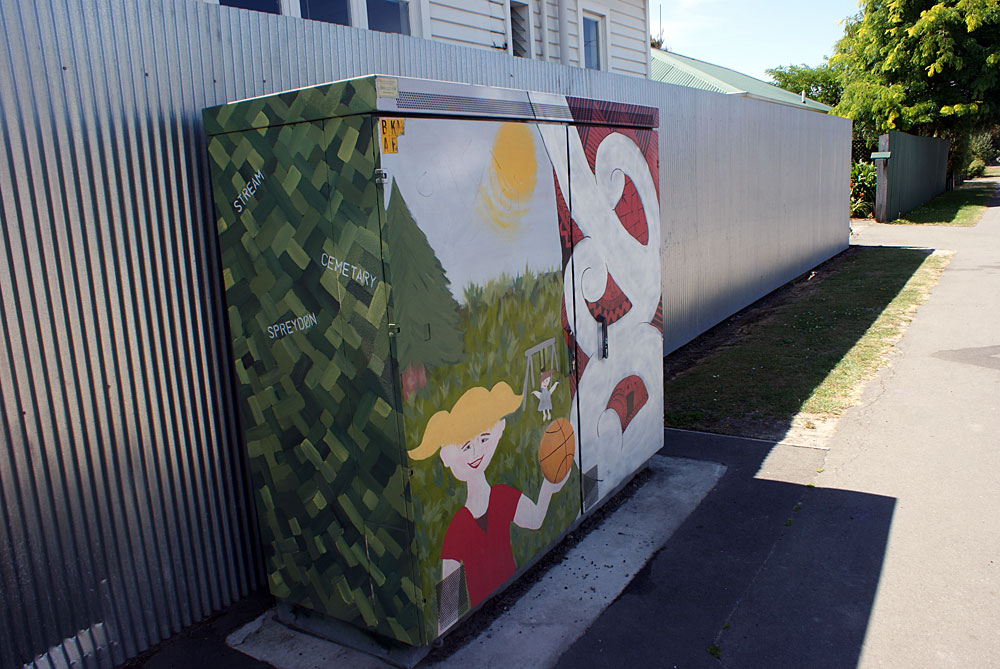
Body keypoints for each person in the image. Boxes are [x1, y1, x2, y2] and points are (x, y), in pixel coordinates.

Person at [407, 381, 570, 632]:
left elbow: (535, 519)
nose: (476, 453)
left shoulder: (502, 497)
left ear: (497, 432)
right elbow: (449, 605)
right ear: (447, 456)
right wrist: (446, 630)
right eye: (466, 447)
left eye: (483, 439)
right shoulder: (458, 526)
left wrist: (549, 486)